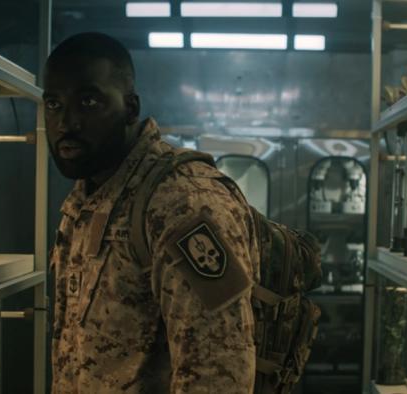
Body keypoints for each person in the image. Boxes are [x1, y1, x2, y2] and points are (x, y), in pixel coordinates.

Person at [45, 32, 260, 393]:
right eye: (53, 104)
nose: (67, 123)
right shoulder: (87, 198)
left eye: (88, 101)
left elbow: (220, 375)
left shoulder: (181, 200)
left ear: (131, 108)